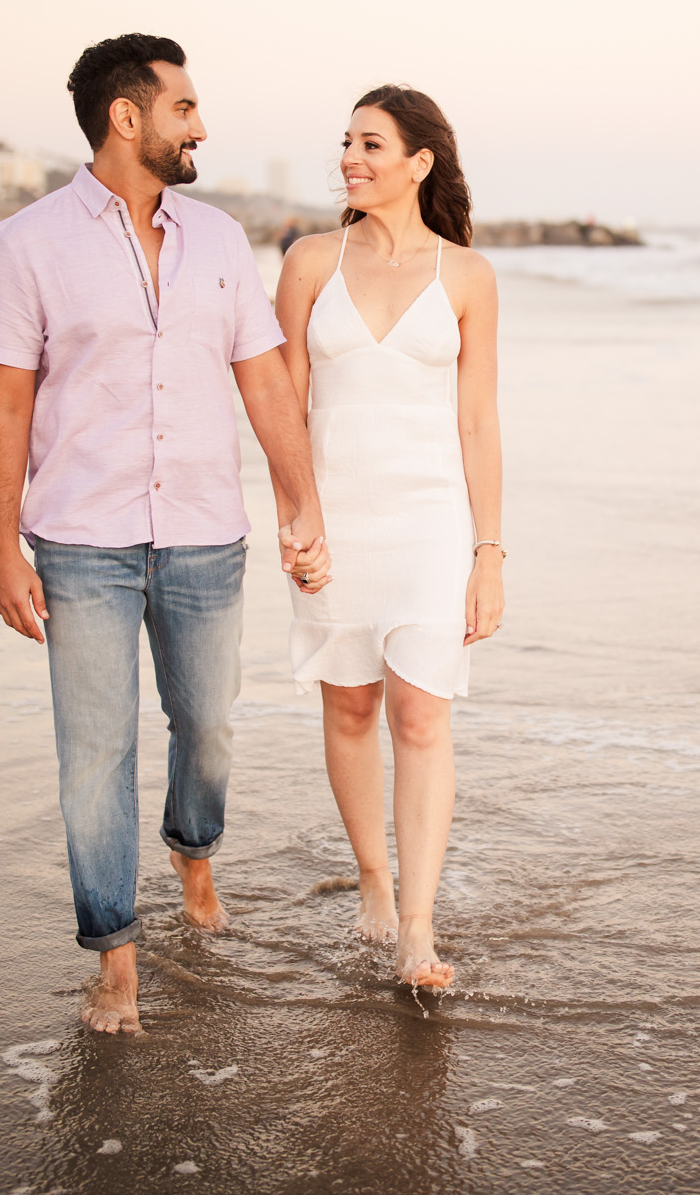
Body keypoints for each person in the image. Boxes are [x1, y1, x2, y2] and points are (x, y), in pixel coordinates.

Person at [0, 33, 331, 1034]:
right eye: (184, 108)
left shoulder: (218, 239)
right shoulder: (27, 243)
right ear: (126, 118)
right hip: (80, 538)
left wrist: (300, 505)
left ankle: (194, 854)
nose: (200, 126)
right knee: (93, 754)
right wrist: (4, 546)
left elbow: (262, 380)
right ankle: (114, 962)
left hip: (206, 532)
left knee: (207, 728)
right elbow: (4, 404)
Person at [273, 85, 504, 989]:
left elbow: (479, 423)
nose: (351, 159)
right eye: (346, 143)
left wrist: (490, 552)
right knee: (349, 707)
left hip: (430, 523)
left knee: (420, 712)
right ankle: (373, 874)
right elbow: (281, 402)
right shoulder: (308, 262)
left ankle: (416, 924)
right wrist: (298, 514)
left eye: (372, 144)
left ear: (420, 162)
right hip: (331, 520)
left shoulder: (468, 277)